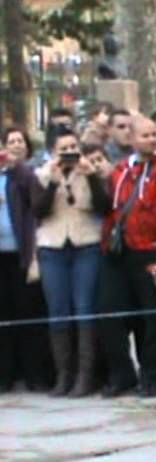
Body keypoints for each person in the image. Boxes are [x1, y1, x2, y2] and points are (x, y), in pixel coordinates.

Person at [96, 116, 156, 398]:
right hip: (119, 251)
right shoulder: (121, 169)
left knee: (154, 319)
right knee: (109, 313)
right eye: (145, 135)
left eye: (154, 134)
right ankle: (122, 374)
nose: (152, 139)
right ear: (133, 139)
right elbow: (111, 208)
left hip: (152, 250)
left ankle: (152, 376)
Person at [31, 127, 109, 397]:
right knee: (58, 310)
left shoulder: (90, 171)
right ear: (52, 152)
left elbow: (104, 207)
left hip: (86, 244)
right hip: (52, 246)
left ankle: (85, 376)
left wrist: (92, 177)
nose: (69, 154)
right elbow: (38, 210)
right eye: (63, 149)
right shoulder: (41, 175)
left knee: (85, 307)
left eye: (73, 147)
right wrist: (53, 182)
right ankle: (64, 374)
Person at [0, 131, 53, 394]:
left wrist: (15, 167)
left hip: (23, 255)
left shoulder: (27, 174)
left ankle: (35, 374)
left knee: (28, 314)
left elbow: (36, 205)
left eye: (20, 141)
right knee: (4, 317)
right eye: (10, 142)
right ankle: (6, 375)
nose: (15, 146)